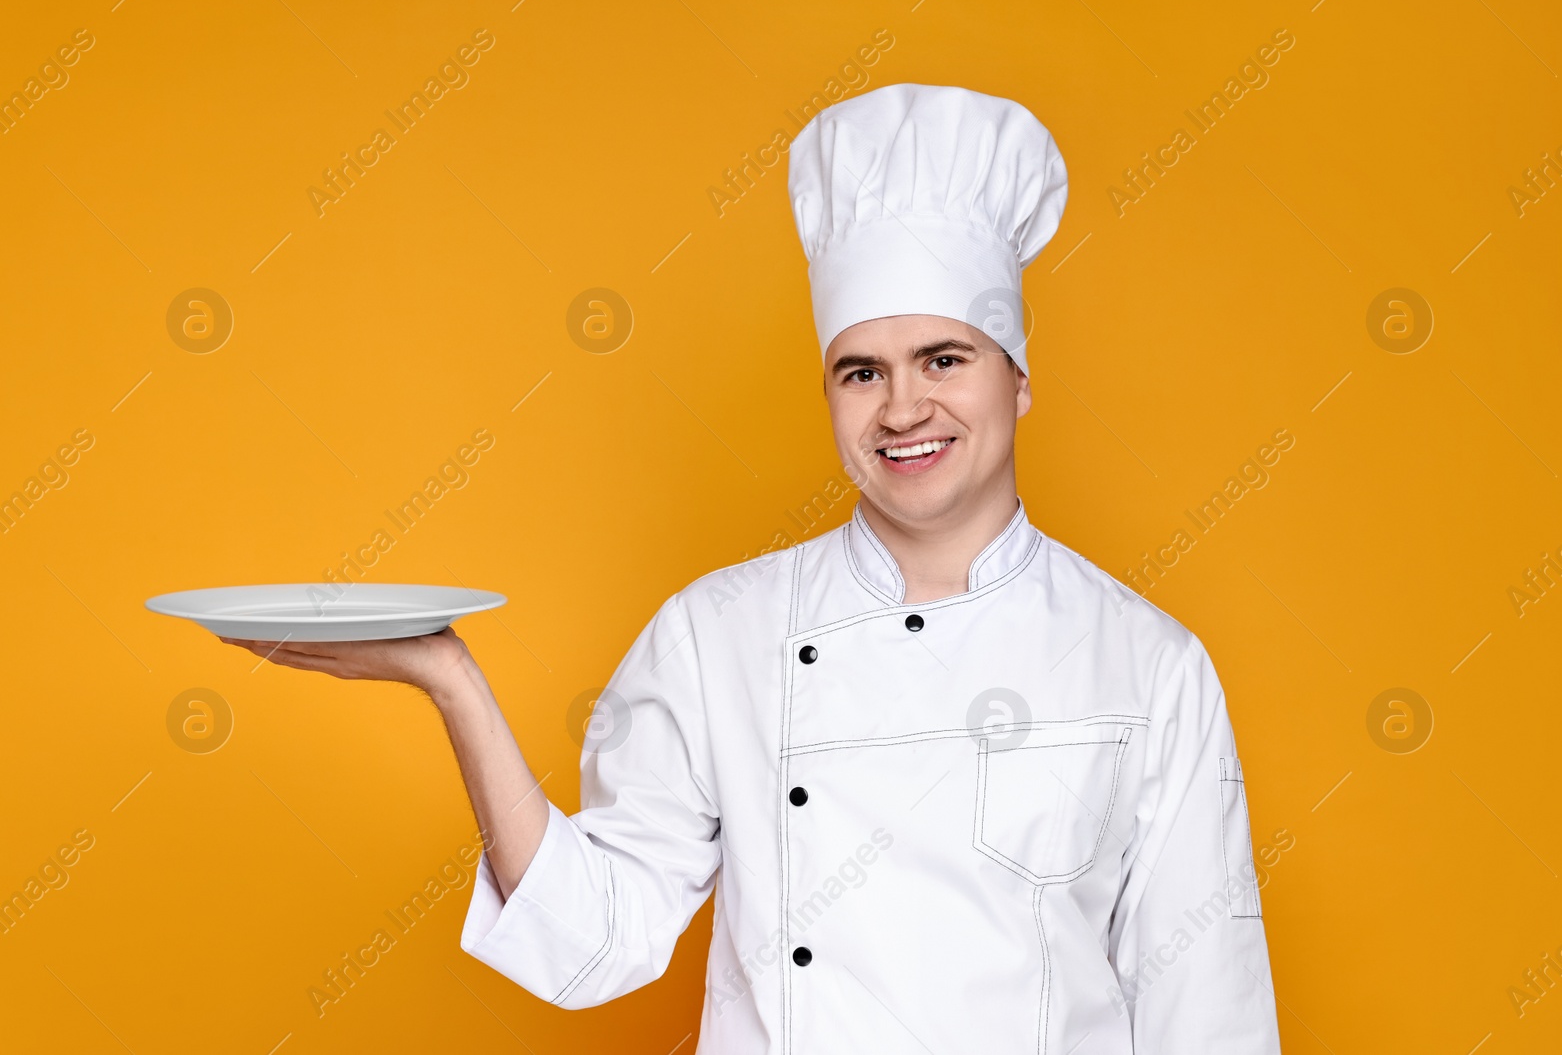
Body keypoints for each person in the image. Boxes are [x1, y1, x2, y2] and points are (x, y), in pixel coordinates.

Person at [224, 83, 1281, 1053]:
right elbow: (591, 941)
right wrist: (451, 680)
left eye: (943, 360)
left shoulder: (1146, 664)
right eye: (860, 372)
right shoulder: (716, 633)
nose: (903, 409)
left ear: (1018, 378)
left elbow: (1209, 1008)